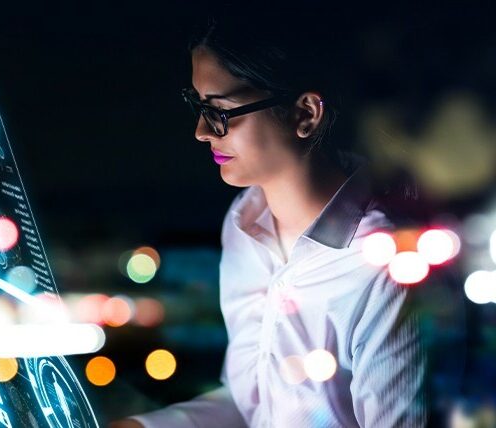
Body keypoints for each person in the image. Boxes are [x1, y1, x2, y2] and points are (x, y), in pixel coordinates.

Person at [110, 15, 426, 428]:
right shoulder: (243, 224)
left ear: (306, 114)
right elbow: (255, 405)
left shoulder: (384, 264)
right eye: (197, 106)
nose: (201, 131)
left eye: (219, 110)